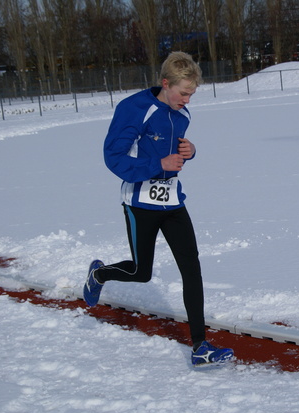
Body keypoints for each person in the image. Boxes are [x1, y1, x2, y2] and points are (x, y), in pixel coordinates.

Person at [83, 51, 233, 367]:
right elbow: (114, 158)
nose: (188, 100)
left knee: (191, 267)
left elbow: (174, 154)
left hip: (172, 202)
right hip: (140, 203)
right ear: (166, 83)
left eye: (192, 94)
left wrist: (190, 152)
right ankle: (98, 274)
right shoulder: (134, 109)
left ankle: (200, 347)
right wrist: (157, 164)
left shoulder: (182, 115)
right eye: (183, 93)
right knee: (141, 272)